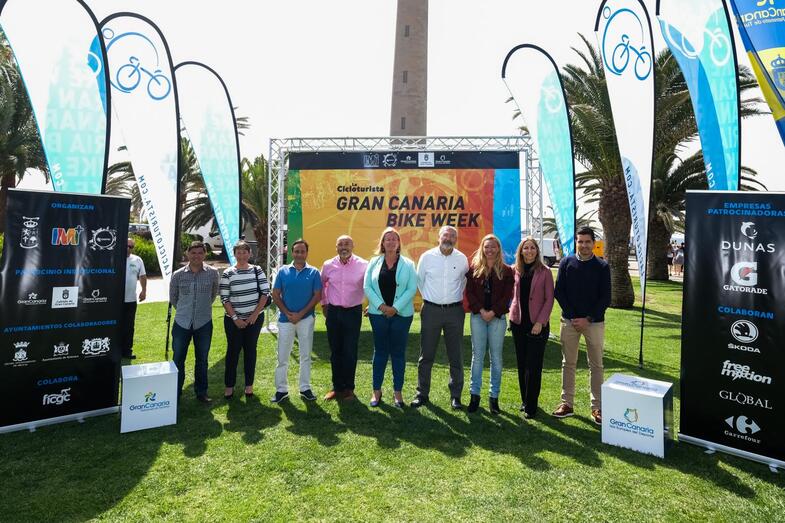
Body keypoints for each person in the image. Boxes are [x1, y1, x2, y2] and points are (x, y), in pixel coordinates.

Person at [552, 227, 611, 425]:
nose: (584, 245)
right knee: (568, 363)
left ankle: (598, 407)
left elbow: (605, 297)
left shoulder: (602, 266)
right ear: (576, 242)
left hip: (594, 323)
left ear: (594, 242)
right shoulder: (566, 263)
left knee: (596, 365)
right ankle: (566, 403)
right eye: (580, 241)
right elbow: (559, 291)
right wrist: (573, 316)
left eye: (587, 241)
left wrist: (588, 318)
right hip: (569, 322)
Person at [412, 226, 469, 410]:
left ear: (456, 239)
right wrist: (432, 299)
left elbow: (464, 283)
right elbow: (419, 281)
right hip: (431, 311)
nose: (449, 238)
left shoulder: (462, 259)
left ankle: (456, 396)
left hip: (455, 312)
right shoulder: (427, 257)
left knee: (456, 356)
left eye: (453, 236)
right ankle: (422, 394)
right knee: (426, 355)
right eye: (446, 235)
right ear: (439, 237)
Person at [364, 227, 417, 408]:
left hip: (401, 316)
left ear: (399, 243)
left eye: (394, 239)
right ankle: (376, 391)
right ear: (382, 243)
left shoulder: (408, 264)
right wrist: (382, 307)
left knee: (398, 354)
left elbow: (411, 289)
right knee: (379, 352)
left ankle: (398, 392)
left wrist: (394, 308)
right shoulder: (373, 262)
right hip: (377, 315)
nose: (391, 241)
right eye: (387, 239)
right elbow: (367, 287)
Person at [464, 234, 514, 415]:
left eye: (493, 247)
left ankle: (494, 398)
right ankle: (474, 396)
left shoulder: (507, 271)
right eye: (487, 247)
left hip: (498, 318)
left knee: (496, 358)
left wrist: (493, 312)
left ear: (498, 249)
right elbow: (469, 293)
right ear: (482, 249)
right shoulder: (473, 269)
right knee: (477, 357)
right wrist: (481, 311)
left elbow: (507, 296)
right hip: (478, 317)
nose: (490, 250)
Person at [271, 239, 322, 403]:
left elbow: (317, 296)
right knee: (282, 357)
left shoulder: (314, 272)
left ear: (307, 253)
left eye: (302, 251)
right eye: (296, 251)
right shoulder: (283, 271)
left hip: (306, 319)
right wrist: (287, 312)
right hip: (286, 320)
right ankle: (281, 390)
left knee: (305, 355)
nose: (299, 254)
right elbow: (275, 294)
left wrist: (300, 314)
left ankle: (305, 388)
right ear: (292, 253)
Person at [509, 237, 554, 419]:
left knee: (533, 366)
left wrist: (540, 322)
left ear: (537, 251)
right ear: (520, 251)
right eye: (525, 248)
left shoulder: (545, 272)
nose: (529, 251)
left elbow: (549, 299)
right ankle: (524, 400)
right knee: (522, 364)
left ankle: (531, 406)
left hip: (537, 325)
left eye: (532, 248)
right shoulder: (513, 270)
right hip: (518, 323)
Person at [169, 241, 220, 403]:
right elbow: (174, 298)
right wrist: (185, 310)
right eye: (193, 253)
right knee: (178, 359)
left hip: (203, 322)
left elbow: (213, 295)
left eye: (200, 253)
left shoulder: (213, 273)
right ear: (187, 254)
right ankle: (175, 392)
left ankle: (201, 392)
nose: (196, 256)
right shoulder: (177, 275)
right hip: (182, 323)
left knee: (202, 360)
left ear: (205, 254)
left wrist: (201, 310)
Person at [220, 240, 270, 400]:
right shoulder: (228, 273)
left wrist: (254, 315)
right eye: (238, 252)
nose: (241, 255)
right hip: (233, 321)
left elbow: (265, 293)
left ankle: (249, 386)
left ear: (250, 253)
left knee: (250, 351)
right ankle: (229, 386)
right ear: (234, 254)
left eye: (244, 252)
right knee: (232, 352)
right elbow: (224, 298)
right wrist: (235, 318)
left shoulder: (257, 270)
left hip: (254, 320)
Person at [321, 235, 368, 401]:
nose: (344, 247)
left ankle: (349, 388)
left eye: (347, 244)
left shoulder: (363, 265)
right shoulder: (328, 265)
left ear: (353, 246)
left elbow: (369, 286)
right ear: (336, 247)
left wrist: (373, 304)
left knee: (350, 351)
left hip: (353, 312)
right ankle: (337, 387)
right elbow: (322, 285)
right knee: (335, 351)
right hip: (333, 312)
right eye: (340, 244)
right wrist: (324, 304)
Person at [121, 238, 147, 360]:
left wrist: (144, 291)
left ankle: (127, 351)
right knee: (115, 326)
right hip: (115, 301)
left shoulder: (137, 260)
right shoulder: (114, 258)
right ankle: (114, 350)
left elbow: (142, 276)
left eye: (131, 247)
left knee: (129, 326)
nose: (128, 248)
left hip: (131, 300)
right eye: (126, 245)